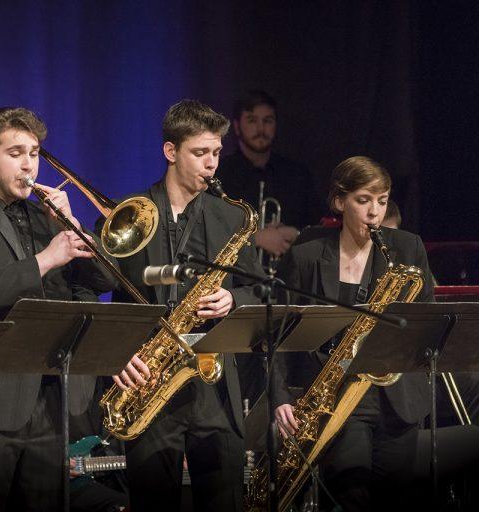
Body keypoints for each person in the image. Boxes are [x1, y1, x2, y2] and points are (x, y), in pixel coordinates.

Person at [0, 107, 116, 511]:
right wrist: (45, 259)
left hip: (49, 406)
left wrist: (72, 225)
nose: (28, 163)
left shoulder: (48, 217)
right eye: (15, 153)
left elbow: (105, 282)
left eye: (33, 153)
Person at [104, 100, 265, 512]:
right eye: (200, 153)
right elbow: (90, 288)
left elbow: (258, 291)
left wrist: (234, 297)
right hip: (150, 381)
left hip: (214, 387)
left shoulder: (230, 216)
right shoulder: (131, 213)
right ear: (170, 152)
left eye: (215, 153)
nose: (211, 164)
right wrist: (117, 354)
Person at [273, 156, 435, 511]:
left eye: (382, 200)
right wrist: (280, 396)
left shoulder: (408, 248)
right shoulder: (308, 253)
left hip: (398, 400)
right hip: (338, 396)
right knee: (351, 498)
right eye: (363, 200)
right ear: (339, 201)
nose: (374, 212)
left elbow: (426, 321)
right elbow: (282, 329)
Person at [214, 89, 321, 259]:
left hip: (288, 278)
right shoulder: (219, 174)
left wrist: (297, 233)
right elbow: (208, 233)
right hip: (233, 280)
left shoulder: (298, 175)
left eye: (268, 121)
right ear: (236, 126)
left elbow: (318, 227)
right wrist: (256, 239)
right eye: (252, 120)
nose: (261, 128)